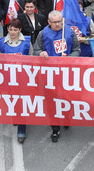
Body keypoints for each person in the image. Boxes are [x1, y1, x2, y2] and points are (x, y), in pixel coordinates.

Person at [32, 10, 80, 142]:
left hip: (67, 74)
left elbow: (77, 49)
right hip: (50, 75)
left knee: (67, 98)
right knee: (52, 102)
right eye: (55, 22)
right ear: (49, 22)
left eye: (60, 21)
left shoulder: (69, 32)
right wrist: (41, 53)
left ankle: (67, 117)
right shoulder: (43, 34)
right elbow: (36, 50)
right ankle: (55, 129)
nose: (58, 24)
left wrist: (69, 59)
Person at [0, 18, 33, 142]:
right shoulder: (2, 42)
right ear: (7, 29)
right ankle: (15, 117)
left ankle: (22, 130)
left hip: (23, 79)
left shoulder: (27, 42)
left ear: (20, 30)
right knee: (12, 101)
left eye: (15, 30)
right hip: (9, 79)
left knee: (21, 103)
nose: (12, 32)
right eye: (10, 29)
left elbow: (32, 60)